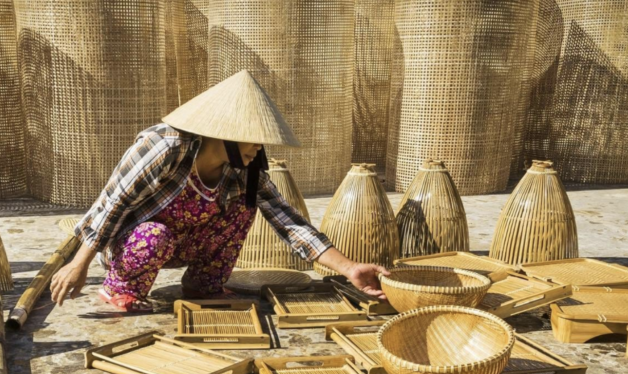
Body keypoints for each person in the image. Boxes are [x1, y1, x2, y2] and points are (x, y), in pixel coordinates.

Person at [51, 70, 389, 312]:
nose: (258, 149)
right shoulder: (166, 146)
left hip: (185, 243)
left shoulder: (244, 170)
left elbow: (290, 223)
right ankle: (121, 288)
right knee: (154, 234)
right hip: (135, 243)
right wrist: (79, 263)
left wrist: (349, 268)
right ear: (224, 133)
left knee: (246, 206)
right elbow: (114, 202)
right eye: (253, 139)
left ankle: (203, 284)